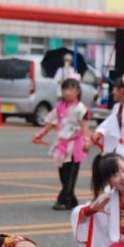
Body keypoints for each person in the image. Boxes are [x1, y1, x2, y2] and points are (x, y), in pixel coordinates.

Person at [34, 77, 91, 211]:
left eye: (71, 89)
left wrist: (87, 142)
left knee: (71, 174)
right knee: (63, 174)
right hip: (62, 145)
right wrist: (41, 134)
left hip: (75, 146)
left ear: (77, 91)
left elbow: (84, 126)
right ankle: (72, 200)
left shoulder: (80, 108)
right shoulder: (60, 106)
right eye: (65, 89)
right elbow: (51, 122)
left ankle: (62, 200)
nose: (67, 92)